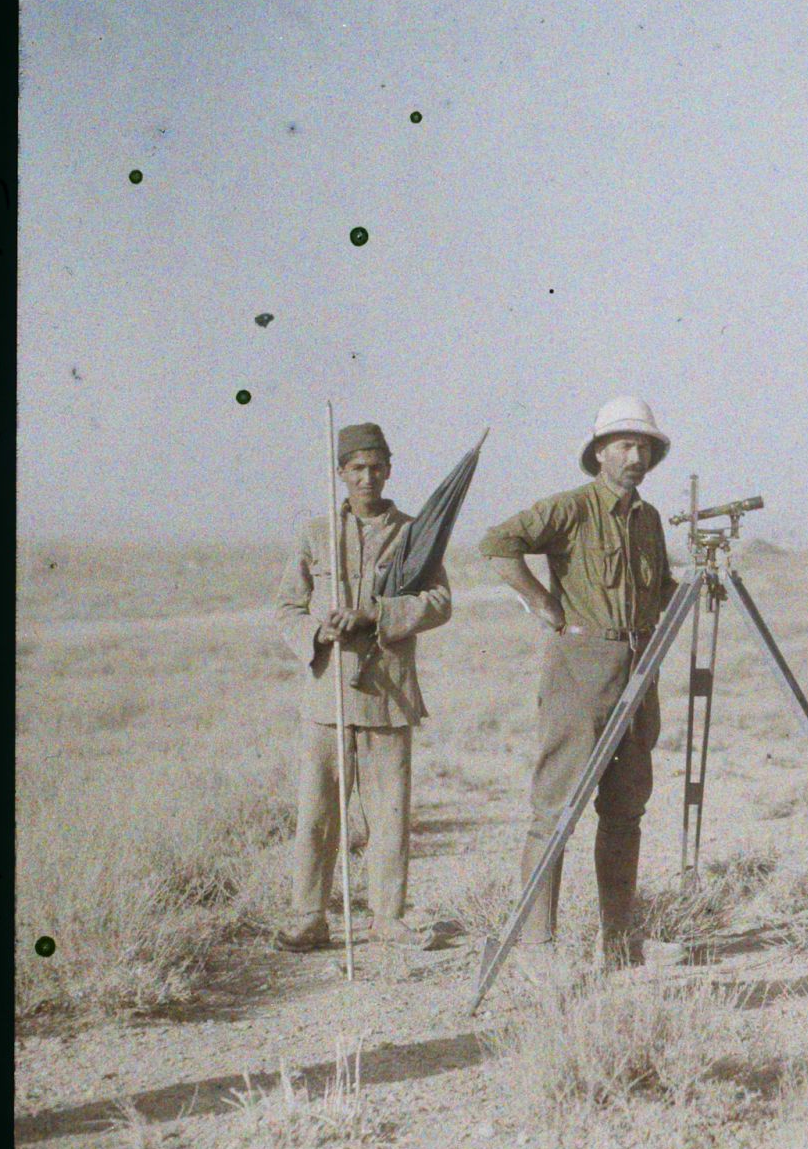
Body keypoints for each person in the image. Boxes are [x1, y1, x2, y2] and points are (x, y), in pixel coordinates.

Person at [479, 395, 681, 978]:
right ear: (599, 453)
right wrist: (544, 605)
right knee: (556, 808)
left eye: (644, 446)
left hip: (640, 667)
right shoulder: (570, 508)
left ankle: (621, 943)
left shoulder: (648, 519)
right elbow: (498, 543)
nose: (636, 456)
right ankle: (536, 948)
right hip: (581, 666)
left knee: (626, 810)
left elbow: (658, 585)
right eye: (624, 444)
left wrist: (685, 593)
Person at [274, 422, 453, 952]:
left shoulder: (414, 533)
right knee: (317, 813)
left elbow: (440, 602)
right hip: (327, 697)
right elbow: (286, 608)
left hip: (387, 694)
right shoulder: (314, 533)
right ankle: (308, 916)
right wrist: (315, 631)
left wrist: (375, 615)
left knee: (390, 813)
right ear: (341, 474)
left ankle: (387, 917)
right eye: (357, 469)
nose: (367, 477)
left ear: (390, 469)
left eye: (376, 467)